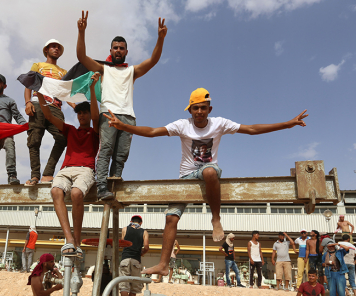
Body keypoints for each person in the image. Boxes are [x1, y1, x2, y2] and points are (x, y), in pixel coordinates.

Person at [104, 87, 308, 276]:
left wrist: (288, 124)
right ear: (190, 110)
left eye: (203, 108)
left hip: (208, 172)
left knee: (210, 171)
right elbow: (153, 132)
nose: (199, 111)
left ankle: (215, 219)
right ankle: (164, 265)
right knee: (171, 218)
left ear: (209, 109)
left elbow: (252, 129)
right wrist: (122, 125)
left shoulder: (219, 123)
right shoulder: (182, 125)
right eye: (195, 108)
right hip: (186, 177)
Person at [76, 10, 168, 200]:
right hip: (108, 114)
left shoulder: (131, 71)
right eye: (115, 47)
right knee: (106, 149)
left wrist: (160, 39)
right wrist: (82, 32)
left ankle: (114, 184)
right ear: (110, 51)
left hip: (128, 116)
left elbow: (153, 61)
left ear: (126, 52)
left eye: (121, 48)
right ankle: (101, 186)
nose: (118, 50)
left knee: (121, 154)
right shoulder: (103, 69)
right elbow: (82, 57)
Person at [38, 73, 100, 256]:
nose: (82, 115)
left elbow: (97, 116)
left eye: (85, 112)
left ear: (89, 114)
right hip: (66, 169)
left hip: (85, 169)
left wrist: (91, 89)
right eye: (79, 112)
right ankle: (69, 240)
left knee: (76, 193)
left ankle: (78, 241)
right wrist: (40, 93)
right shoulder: (70, 130)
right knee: (56, 190)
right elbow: (48, 115)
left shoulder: (95, 131)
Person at [24, 39, 72, 186]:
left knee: (63, 137)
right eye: (53, 46)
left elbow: (65, 93)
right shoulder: (38, 65)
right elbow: (28, 84)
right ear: (46, 50)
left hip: (55, 107)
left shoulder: (64, 72)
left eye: (58, 47)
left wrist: (75, 105)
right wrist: (27, 102)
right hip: (38, 104)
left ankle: (48, 173)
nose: (56, 49)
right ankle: (34, 176)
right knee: (34, 140)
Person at [119, 215, 149, 296]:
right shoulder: (144, 232)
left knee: (123, 286)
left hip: (125, 259)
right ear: (141, 223)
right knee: (134, 287)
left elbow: (122, 243)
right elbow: (146, 248)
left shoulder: (125, 229)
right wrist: (141, 253)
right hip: (136, 260)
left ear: (131, 221)